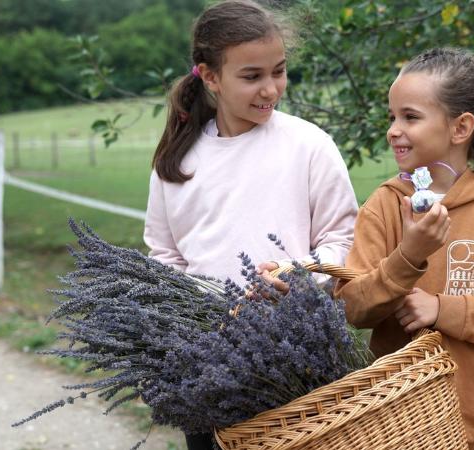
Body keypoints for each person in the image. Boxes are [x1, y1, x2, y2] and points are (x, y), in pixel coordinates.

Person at [143, 1, 358, 448]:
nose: (270, 89)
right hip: (210, 362)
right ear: (210, 76)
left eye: (278, 71)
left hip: (301, 357)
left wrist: (296, 275)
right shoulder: (176, 163)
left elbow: (344, 240)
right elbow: (163, 255)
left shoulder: (309, 145)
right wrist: (196, 313)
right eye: (252, 76)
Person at [335, 47, 474, 450]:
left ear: (461, 127)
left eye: (410, 117)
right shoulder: (384, 206)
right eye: (392, 117)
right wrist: (408, 257)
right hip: (396, 427)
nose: (394, 129)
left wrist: (442, 309)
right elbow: (353, 308)